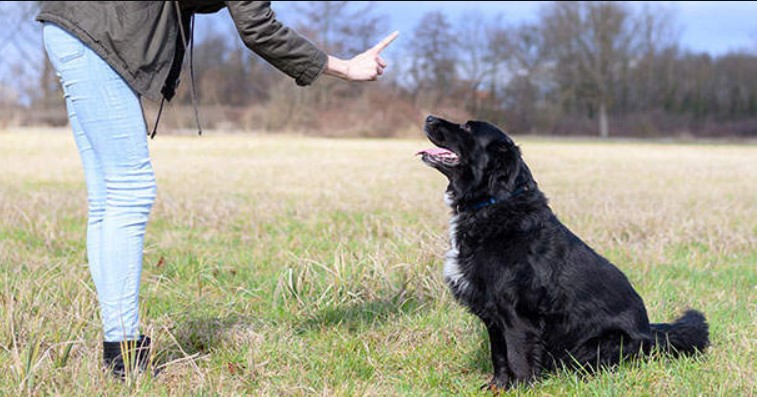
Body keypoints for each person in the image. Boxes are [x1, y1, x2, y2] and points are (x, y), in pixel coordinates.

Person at [37, 1, 398, 378]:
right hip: (96, 34)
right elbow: (258, 28)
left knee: (108, 197)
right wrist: (344, 67)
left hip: (73, 25)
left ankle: (119, 348)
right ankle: (124, 354)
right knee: (130, 189)